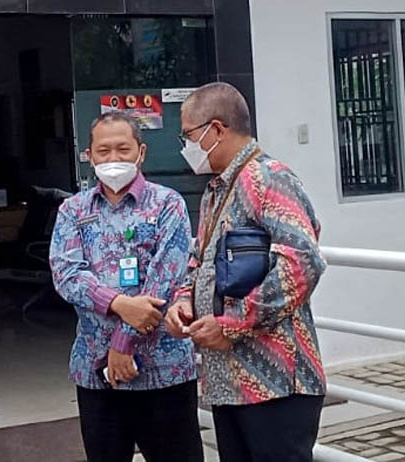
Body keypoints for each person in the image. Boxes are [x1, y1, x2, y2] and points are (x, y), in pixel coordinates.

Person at [165, 82, 327, 462]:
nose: (186, 146)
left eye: (188, 134)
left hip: (275, 383)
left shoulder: (270, 178)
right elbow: (199, 261)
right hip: (229, 383)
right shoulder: (217, 190)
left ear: (216, 129)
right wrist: (183, 302)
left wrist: (232, 324)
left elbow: (301, 263)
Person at [49, 111, 202, 462]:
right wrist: (118, 303)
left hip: (165, 371)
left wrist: (122, 344)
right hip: (96, 372)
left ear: (141, 153)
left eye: (123, 149)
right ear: (89, 155)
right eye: (103, 151)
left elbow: (166, 277)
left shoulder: (168, 204)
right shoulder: (73, 211)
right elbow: (67, 274)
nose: (113, 158)